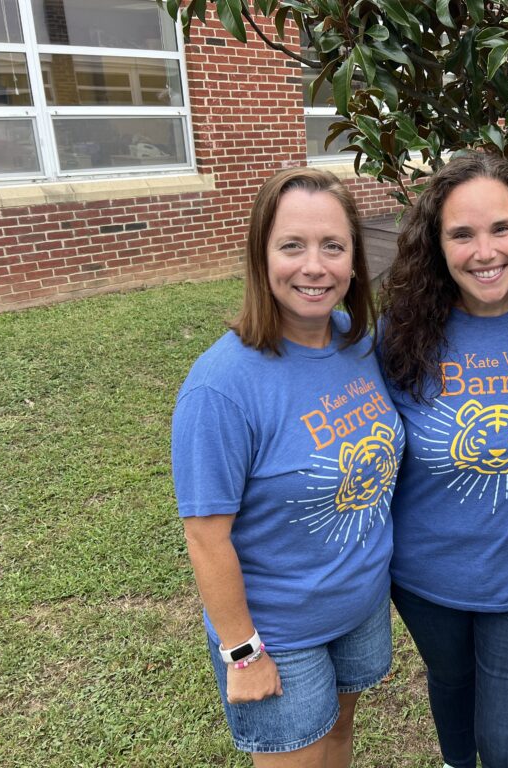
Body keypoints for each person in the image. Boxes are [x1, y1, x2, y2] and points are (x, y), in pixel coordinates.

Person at [171, 167, 404, 768]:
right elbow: (205, 536)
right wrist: (243, 653)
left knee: (339, 740)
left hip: (359, 608)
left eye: (333, 246)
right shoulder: (222, 387)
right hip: (278, 632)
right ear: (261, 256)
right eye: (292, 246)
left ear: (355, 259)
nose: (315, 266)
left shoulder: (356, 341)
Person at [377, 151, 508, 768]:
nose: (484, 251)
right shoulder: (400, 331)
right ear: (435, 245)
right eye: (461, 233)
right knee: (453, 694)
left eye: (501, 228)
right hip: (426, 582)